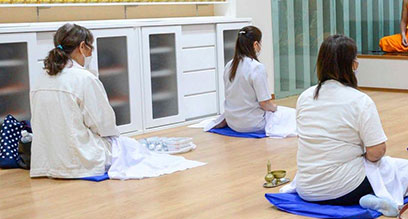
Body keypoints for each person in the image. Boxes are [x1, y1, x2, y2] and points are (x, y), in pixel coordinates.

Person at [30, 23, 201, 179]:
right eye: (90, 49)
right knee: (132, 148)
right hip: (79, 162)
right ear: (82, 47)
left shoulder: (40, 78)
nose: (90, 54)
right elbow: (104, 124)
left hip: (47, 161)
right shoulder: (84, 78)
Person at [286, 35, 408, 214]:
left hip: (307, 188)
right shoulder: (360, 101)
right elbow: (377, 152)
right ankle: (372, 198)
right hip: (347, 189)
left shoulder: (305, 97)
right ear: (352, 65)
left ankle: (370, 197)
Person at [221, 26, 277, 132]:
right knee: (289, 115)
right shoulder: (257, 67)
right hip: (253, 124)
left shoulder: (229, 65)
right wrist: (276, 108)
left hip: (232, 122)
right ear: (255, 44)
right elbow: (264, 103)